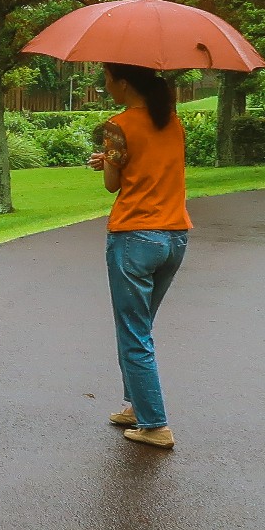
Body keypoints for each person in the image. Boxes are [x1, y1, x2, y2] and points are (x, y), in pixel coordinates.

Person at [88, 62, 190, 449]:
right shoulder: (172, 122)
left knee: (133, 332)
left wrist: (108, 163)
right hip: (175, 235)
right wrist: (112, 159)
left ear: (124, 82)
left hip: (134, 236)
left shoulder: (119, 124)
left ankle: (155, 424)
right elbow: (153, 167)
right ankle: (136, 406)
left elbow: (113, 186)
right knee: (139, 326)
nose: (106, 85)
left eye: (108, 79)